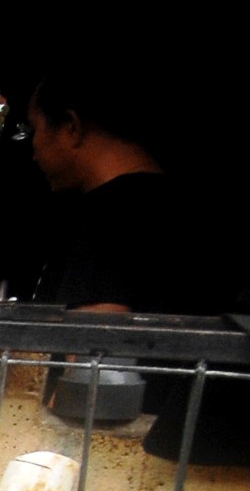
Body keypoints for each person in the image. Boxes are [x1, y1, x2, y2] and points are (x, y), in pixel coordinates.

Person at [26, 59, 220, 312]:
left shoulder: (111, 216)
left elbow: (93, 345)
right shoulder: (185, 204)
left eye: (34, 129)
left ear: (71, 127)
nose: (34, 151)